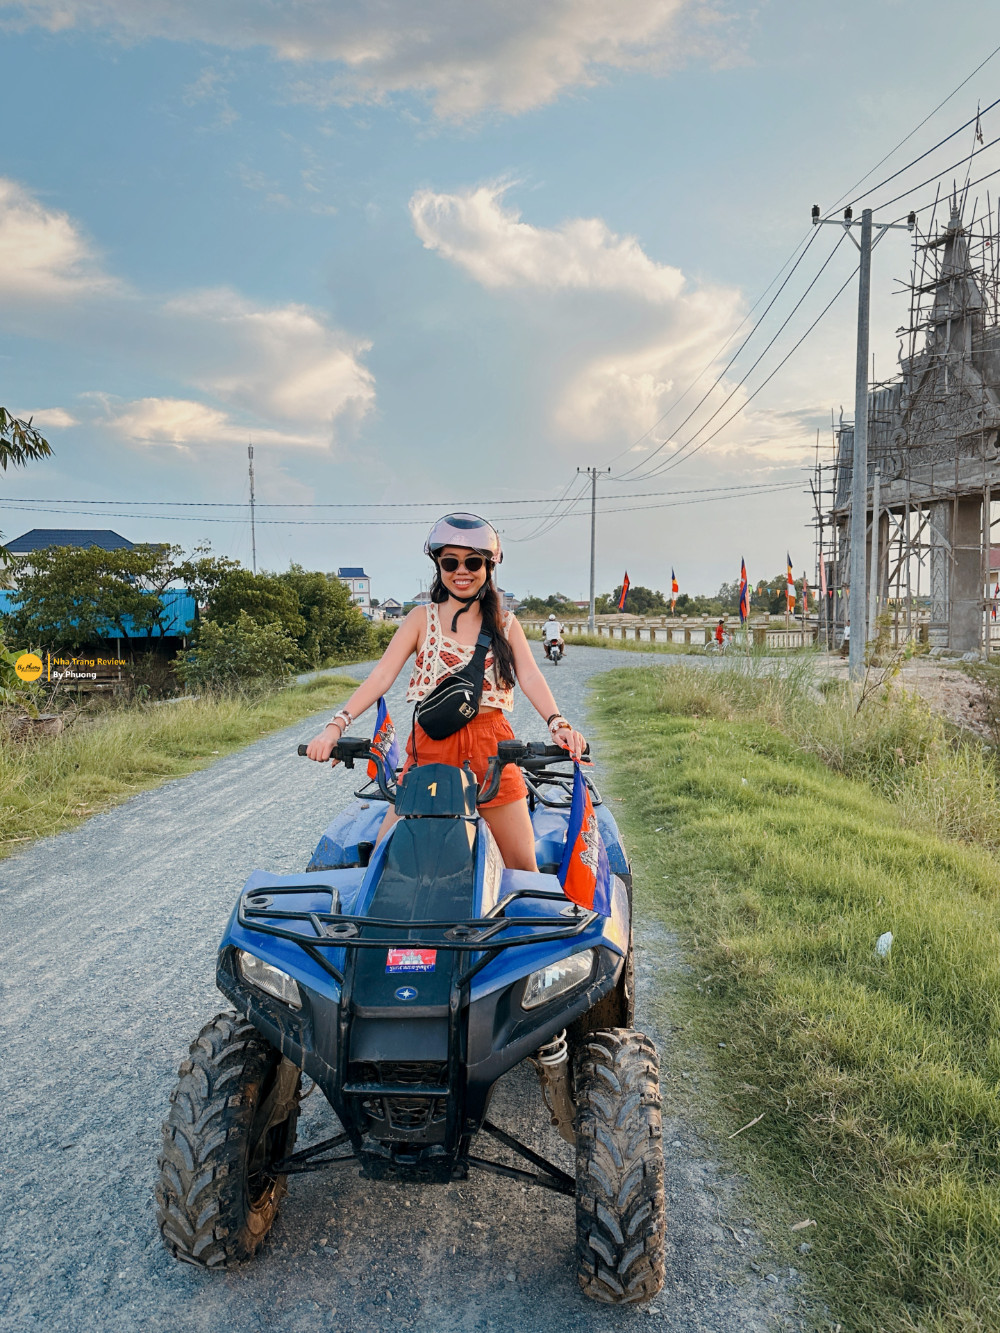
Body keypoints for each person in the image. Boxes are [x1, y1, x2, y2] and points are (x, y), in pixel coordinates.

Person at [305, 514, 586, 872]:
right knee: (384, 865)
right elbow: (381, 676)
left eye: (473, 562)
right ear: (439, 566)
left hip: (492, 749)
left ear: (489, 567)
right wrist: (335, 727)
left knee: (522, 868)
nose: (461, 571)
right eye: (450, 562)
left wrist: (558, 723)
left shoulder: (505, 623)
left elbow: (530, 675)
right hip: (432, 749)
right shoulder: (421, 619)